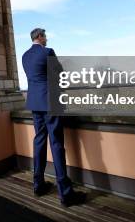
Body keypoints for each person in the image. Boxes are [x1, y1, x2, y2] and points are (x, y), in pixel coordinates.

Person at [21, 28, 86, 207]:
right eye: (45, 36)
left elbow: (34, 78)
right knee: (56, 144)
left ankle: (38, 185)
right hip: (50, 102)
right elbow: (59, 75)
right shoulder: (48, 52)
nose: (47, 39)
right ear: (39, 37)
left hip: (34, 103)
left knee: (39, 142)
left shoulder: (25, 56)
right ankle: (66, 194)